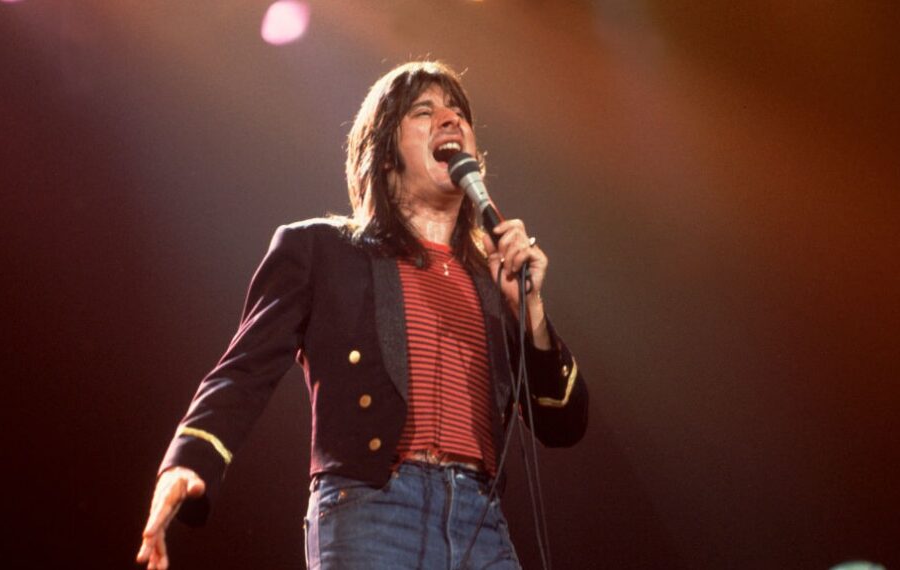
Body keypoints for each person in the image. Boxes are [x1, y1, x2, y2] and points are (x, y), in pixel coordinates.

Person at [136, 60, 588, 570]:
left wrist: (530, 311)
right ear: (385, 152)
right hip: (374, 510)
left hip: (481, 524)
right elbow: (243, 371)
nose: (451, 119)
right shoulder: (322, 250)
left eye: (459, 112)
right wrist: (187, 461)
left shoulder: (493, 277)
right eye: (425, 111)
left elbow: (563, 424)